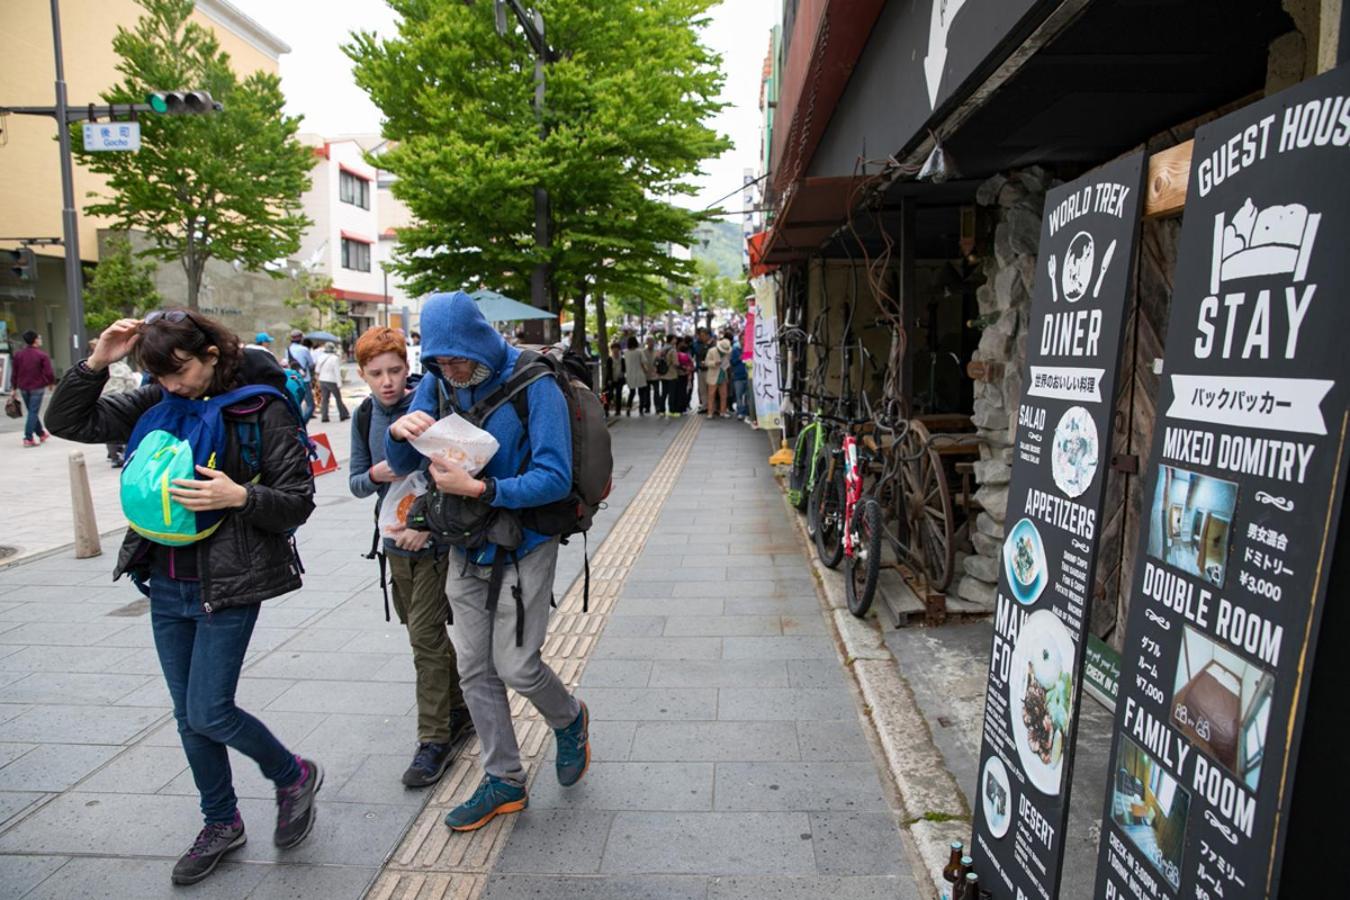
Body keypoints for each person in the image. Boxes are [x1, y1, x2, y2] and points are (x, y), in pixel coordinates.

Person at [45, 310, 322, 886]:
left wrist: (237, 495)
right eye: (160, 375)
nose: (171, 384)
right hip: (165, 580)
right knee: (189, 717)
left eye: (181, 371)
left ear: (213, 355)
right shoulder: (154, 401)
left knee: (210, 710)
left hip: (229, 585)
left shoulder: (260, 407)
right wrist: (99, 361)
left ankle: (291, 774)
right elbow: (69, 420)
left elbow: (296, 499)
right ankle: (222, 821)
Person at [385, 291, 589, 834]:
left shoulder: (535, 383)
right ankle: (504, 778)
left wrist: (481, 486)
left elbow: (556, 477)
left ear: (478, 341)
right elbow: (406, 461)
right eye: (439, 362)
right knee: (474, 667)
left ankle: (569, 719)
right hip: (463, 542)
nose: (450, 372)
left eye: (457, 360)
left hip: (523, 543)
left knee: (517, 666)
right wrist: (399, 429)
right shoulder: (438, 380)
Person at [349, 327, 473, 787]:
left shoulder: (429, 404)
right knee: (424, 636)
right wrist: (379, 472)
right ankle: (459, 710)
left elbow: (452, 468)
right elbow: (357, 482)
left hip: (435, 543)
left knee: (424, 636)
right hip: (392, 545)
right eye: (376, 373)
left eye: (395, 370)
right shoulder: (365, 416)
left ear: (408, 367)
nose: (387, 382)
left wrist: (425, 525)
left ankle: (433, 740)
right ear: (362, 374)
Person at [12, 330, 55, 447]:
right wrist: (51, 383)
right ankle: (28, 437)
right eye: (39, 337)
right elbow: (49, 372)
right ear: (35, 340)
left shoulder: (18, 355)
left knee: (32, 411)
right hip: (37, 387)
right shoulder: (42, 355)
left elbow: (15, 372)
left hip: (23, 387)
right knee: (33, 412)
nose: (40, 339)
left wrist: (13, 388)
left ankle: (41, 433)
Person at [315, 342, 349, 423]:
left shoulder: (321, 357)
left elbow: (317, 370)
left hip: (322, 379)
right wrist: (339, 383)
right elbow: (337, 371)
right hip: (332, 380)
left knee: (325, 399)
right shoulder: (335, 358)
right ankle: (343, 414)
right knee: (338, 398)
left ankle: (324, 416)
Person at [285, 330, 315, 422]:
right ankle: (302, 423)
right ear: (301, 338)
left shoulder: (288, 349)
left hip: (292, 379)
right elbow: (311, 364)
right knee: (310, 405)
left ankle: (298, 423)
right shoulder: (304, 349)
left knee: (297, 403)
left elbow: (287, 363)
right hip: (304, 379)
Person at [621, 335, 650, 416]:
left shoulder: (625, 352)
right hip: (640, 374)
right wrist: (646, 371)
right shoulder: (639, 352)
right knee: (641, 393)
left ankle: (628, 409)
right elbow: (643, 363)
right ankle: (641, 410)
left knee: (632, 393)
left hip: (630, 375)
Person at [729, 332, 750, 420]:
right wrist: (740, 358)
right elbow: (732, 362)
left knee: (748, 395)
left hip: (748, 375)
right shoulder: (735, 350)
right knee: (739, 395)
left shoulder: (749, 350)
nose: (743, 341)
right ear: (739, 340)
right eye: (742, 339)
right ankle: (740, 412)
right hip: (738, 376)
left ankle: (746, 412)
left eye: (745, 339)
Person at [703, 337, 724, 419]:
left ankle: (723, 411)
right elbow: (707, 362)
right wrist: (715, 363)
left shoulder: (728, 352)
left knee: (723, 395)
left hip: (723, 375)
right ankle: (710, 412)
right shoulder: (711, 351)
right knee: (711, 395)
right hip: (713, 375)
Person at [603, 340, 625, 418]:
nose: (615, 351)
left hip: (619, 380)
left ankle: (618, 410)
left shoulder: (622, 359)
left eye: (617, 350)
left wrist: (622, 374)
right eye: (614, 350)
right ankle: (606, 410)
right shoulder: (610, 359)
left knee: (619, 394)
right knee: (609, 395)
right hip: (610, 380)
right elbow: (608, 370)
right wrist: (609, 380)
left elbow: (624, 369)